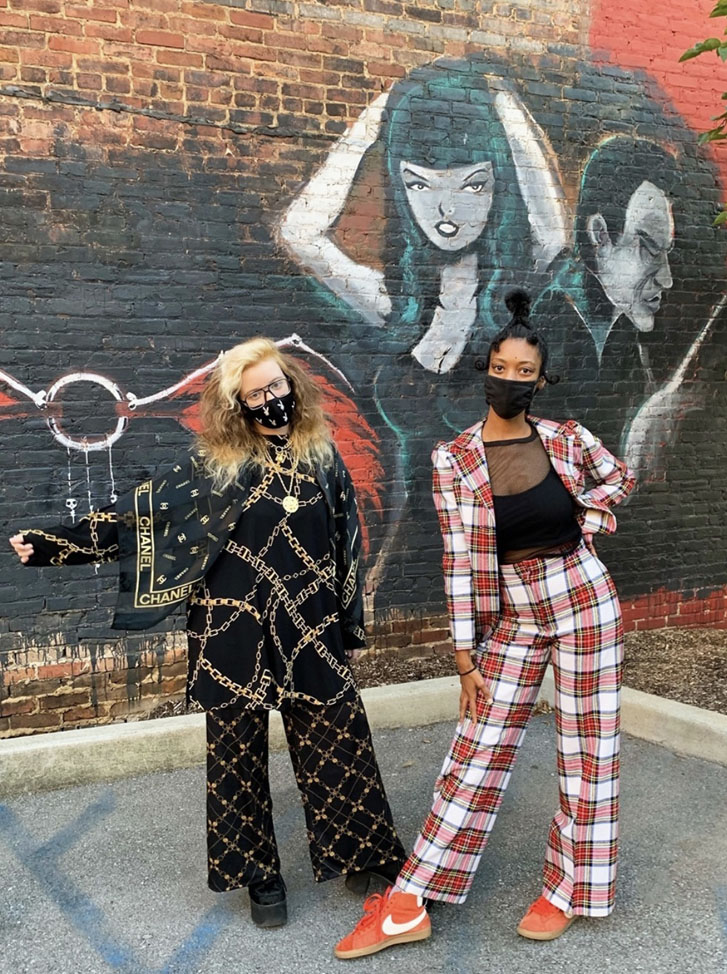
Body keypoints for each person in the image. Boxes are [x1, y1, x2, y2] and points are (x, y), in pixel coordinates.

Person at [9, 337, 406, 928]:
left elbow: (346, 541)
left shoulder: (322, 456)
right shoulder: (211, 466)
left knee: (337, 732)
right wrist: (51, 544)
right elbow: (134, 518)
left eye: (278, 386)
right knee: (235, 752)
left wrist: (347, 619)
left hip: (310, 622)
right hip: (232, 626)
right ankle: (259, 876)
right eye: (257, 393)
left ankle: (364, 853)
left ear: (293, 384)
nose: (274, 399)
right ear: (235, 405)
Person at [333, 290, 636, 959]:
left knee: (588, 756)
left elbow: (619, 480)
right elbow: (462, 565)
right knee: (476, 750)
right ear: (486, 368)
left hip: (585, 601)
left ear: (541, 380)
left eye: (526, 372)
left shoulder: (566, 438)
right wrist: (464, 658)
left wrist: (586, 517)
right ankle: (413, 897)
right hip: (517, 617)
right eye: (504, 366)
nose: (512, 379)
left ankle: (567, 890)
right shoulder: (454, 458)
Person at [279, 58, 569, 610]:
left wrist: (504, 107)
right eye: (419, 184)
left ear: (497, 184)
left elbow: (552, 230)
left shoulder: (511, 302)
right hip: (399, 571)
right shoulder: (396, 305)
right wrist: (377, 117)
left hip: (494, 559)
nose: (446, 212)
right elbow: (301, 231)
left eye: (473, 185)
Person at [534, 136, 679, 452]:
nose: (666, 279)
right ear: (599, 234)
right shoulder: (547, 323)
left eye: (666, 250)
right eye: (650, 248)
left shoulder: (625, 327)